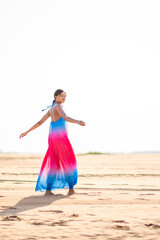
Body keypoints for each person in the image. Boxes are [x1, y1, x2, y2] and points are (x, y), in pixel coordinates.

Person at [19, 89, 85, 196]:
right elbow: (65, 117)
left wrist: (27, 132)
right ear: (55, 97)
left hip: (53, 140)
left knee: (54, 164)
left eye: (65, 96)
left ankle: (48, 190)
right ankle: (71, 189)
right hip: (60, 140)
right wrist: (78, 121)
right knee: (68, 162)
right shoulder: (58, 107)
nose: (64, 98)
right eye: (61, 96)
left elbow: (40, 122)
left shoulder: (51, 108)